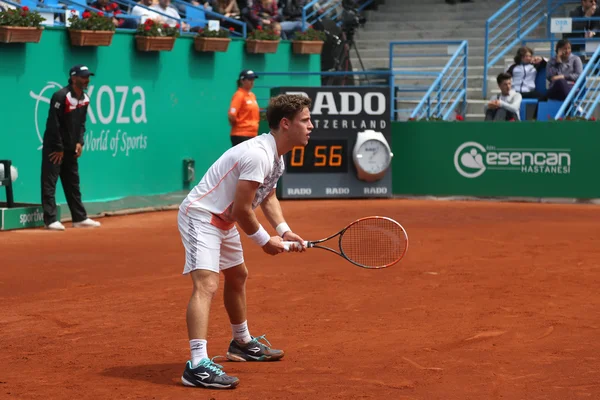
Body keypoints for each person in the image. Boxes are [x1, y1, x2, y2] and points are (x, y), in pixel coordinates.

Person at [178, 94, 313, 389]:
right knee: (207, 284)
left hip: (223, 220)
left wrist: (284, 229)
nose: (311, 126)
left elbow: (267, 196)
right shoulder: (258, 155)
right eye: (305, 120)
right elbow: (242, 209)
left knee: (238, 275)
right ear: (286, 124)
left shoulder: (275, 158)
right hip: (201, 215)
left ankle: (241, 342)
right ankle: (197, 365)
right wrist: (265, 240)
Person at [41, 65, 101, 231]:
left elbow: (81, 124)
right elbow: (53, 123)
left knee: (73, 183)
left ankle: (79, 218)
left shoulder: (85, 99)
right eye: (83, 77)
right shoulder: (60, 96)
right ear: (74, 78)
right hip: (55, 148)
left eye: (88, 77)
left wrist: (80, 142)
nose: (87, 80)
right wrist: (58, 147)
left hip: (71, 148)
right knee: (49, 182)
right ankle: (51, 219)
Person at [228, 69, 260, 147]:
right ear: (242, 81)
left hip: (252, 134)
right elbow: (232, 115)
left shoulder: (252, 95)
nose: (252, 81)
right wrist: (240, 126)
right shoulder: (239, 95)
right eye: (249, 79)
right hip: (241, 135)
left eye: (253, 79)